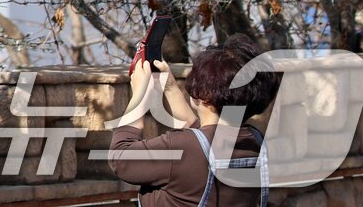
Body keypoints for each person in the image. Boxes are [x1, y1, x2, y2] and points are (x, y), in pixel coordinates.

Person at [108, 34, 279, 207]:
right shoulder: (256, 143)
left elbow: (121, 158)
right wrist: (170, 87)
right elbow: (202, 137)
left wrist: (140, 95)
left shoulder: (182, 147)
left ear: (205, 95)